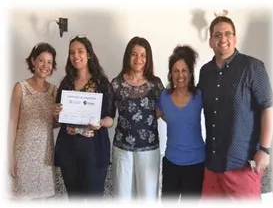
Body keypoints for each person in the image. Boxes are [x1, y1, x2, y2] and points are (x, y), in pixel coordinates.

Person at [198, 16, 273, 199]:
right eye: (217, 35)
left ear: (235, 38)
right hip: (212, 164)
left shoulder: (253, 67)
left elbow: (268, 107)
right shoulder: (205, 72)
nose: (222, 39)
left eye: (227, 34)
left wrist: (264, 149)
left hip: (243, 165)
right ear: (210, 41)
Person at [53, 35, 115, 199]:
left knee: (94, 198)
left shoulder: (102, 84)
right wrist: (56, 113)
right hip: (69, 149)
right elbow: (58, 119)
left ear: (89, 54)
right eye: (72, 52)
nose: (76, 56)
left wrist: (100, 122)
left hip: (94, 150)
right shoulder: (66, 83)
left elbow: (110, 119)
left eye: (80, 51)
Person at [111, 36, 164, 200]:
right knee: (122, 197)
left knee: (147, 198)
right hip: (122, 149)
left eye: (143, 55)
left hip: (149, 149)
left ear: (148, 59)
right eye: (134, 54)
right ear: (128, 56)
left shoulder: (156, 84)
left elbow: (162, 112)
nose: (138, 59)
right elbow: (108, 115)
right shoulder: (116, 83)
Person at [8, 42, 59, 199]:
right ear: (33, 61)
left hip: (46, 155)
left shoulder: (54, 90)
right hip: (23, 155)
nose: (45, 66)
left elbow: (54, 123)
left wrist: (58, 117)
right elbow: (12, 123)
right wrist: (9, 156)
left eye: (49, 62)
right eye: (41, 60)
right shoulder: (20, 87)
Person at [156, 45, 205, 201]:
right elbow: (158, 114)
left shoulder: (199, 95)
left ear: (190, 73)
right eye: (176, 71)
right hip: (171, 162)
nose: (180, 75)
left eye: (184, 70)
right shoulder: (164, 96)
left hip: (196, 164)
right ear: (171, 74)